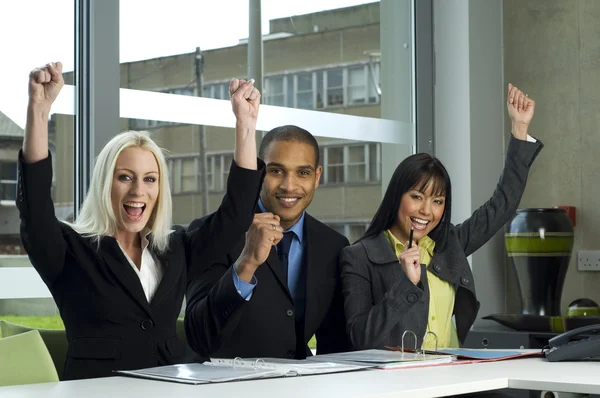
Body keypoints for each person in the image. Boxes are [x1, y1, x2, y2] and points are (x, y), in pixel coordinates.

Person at [16, 61, 265, 379]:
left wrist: (245, 123)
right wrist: (38, 109)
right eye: (125, 177)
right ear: (106, 182)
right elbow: (35, 207)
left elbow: (234, 218)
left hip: (166, 387)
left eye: (150, 179)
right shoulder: (68, 249)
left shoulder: (176, 247)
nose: (138, 191)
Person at [341, 83, 543, 351]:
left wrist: (519, 129)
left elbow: (501, 206)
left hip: (452, 376)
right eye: (416, 197)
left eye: (437, 201)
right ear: (396, 196)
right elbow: (361, 337)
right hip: (398, 385)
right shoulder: (358, 256)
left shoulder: (450, 243)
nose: (427, 211)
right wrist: (406, 283)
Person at [185, 125, 350, 360]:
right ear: (259, 173)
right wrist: (246, 262)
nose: (289, 186)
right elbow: (198, 335)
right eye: (276, 171)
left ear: (317, 177)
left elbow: (335, 344)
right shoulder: (214, 232)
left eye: (303, 173)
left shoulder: (333, 245)